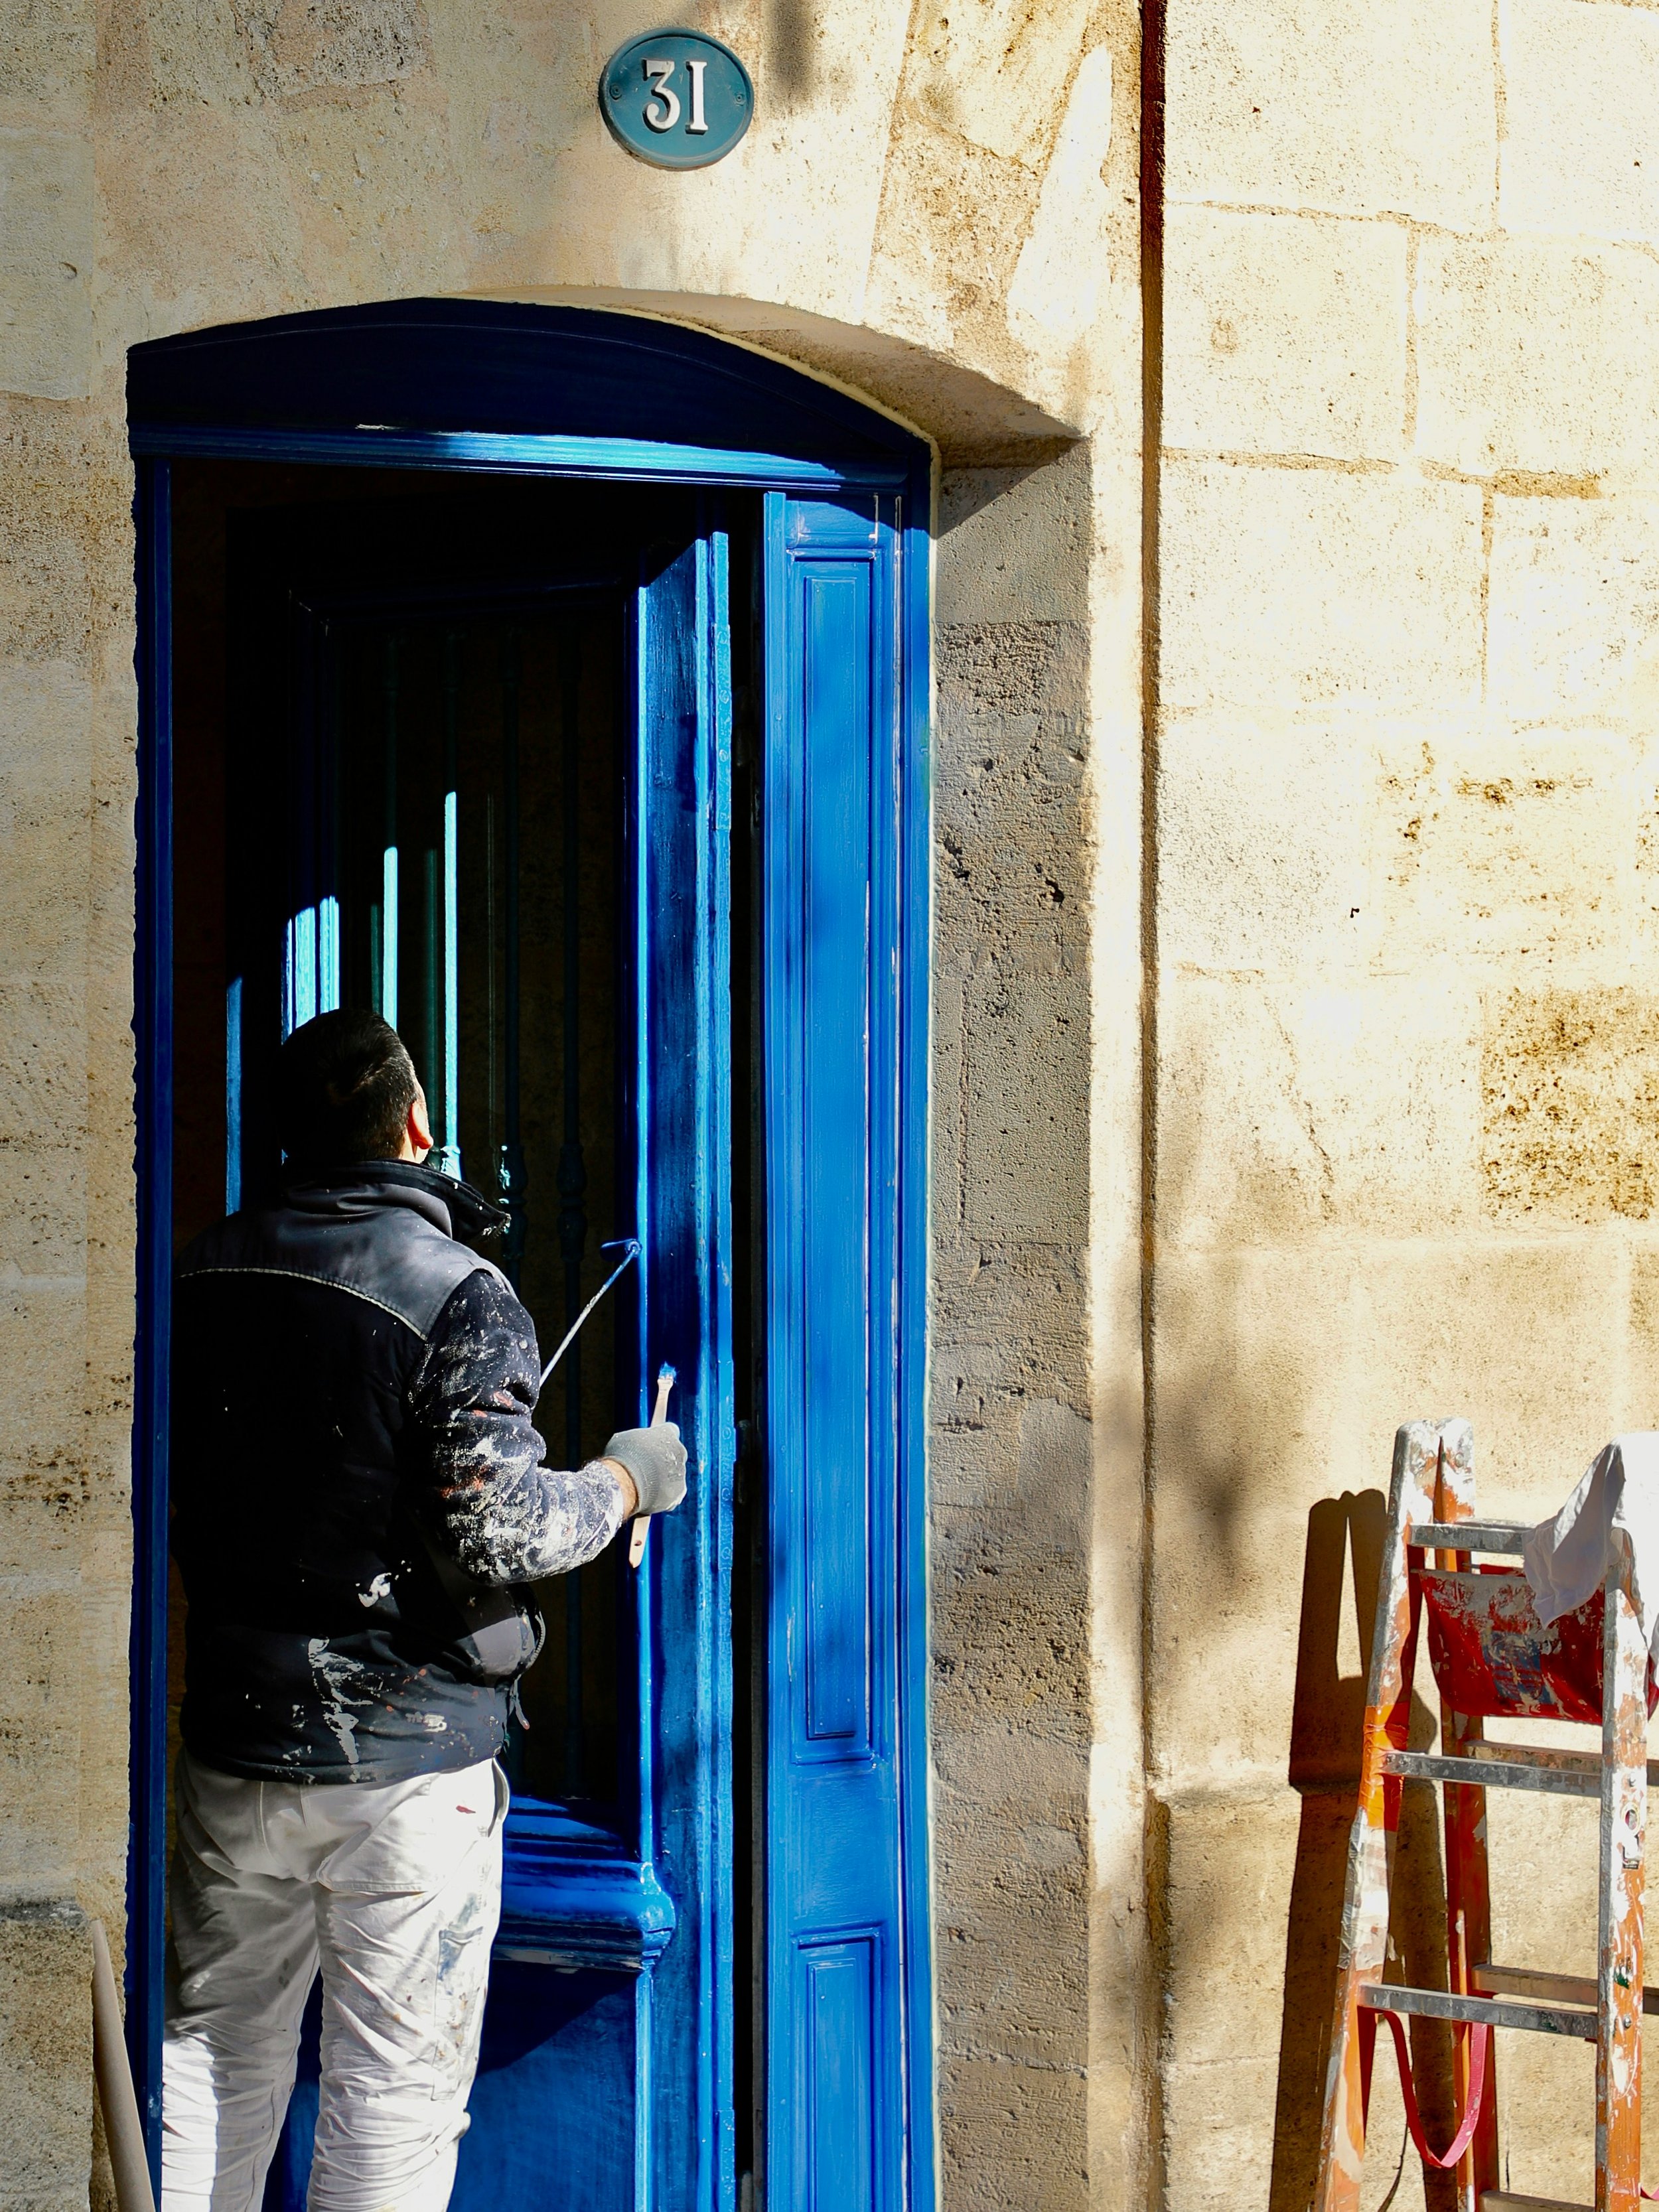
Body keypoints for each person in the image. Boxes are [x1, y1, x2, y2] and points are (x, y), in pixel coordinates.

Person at [160, 1008, 687, 2212]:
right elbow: (501, 1526)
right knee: (392, 2101)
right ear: (415, 1122)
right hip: (405, 1765)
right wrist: (627, 1478)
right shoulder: (460, 1290)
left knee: (209, 2068)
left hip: (235, 1751)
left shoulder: (196, 1269)